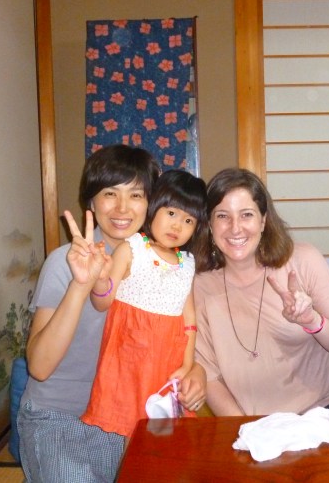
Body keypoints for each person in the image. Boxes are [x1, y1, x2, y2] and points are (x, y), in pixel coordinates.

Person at [17, 146, 206, 483]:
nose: (122, 208)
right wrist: (81, 284)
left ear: (152, 203)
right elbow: (39, 368)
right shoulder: (65, 262)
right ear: (91, 201)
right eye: (109, 193)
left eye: (136, 195)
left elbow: (179, 335)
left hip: (129, 416)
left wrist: (197, 371)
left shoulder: (169, 266)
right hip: (61, 417)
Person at [191, 168, 329, 416]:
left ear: (263, 221)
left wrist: (313, 321)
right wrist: (246, 430)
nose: (235, 228)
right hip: (256, 423)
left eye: (246, 215)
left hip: (327, 408)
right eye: (223, 216)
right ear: (209, 224)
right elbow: (209, 376)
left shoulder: (302, 260)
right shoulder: (198, 286)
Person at [79, 169, 208, 437]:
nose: (177, 226)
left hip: (167, 362)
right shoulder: (132, 248)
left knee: (164, 432)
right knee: (131, 426)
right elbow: (103, 301)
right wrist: (99, 280)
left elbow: (189, 320)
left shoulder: (187, 264)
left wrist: (187, 364)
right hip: (128, 361)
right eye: (171, 213)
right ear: (154, 208)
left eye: (188, 220)